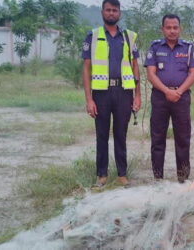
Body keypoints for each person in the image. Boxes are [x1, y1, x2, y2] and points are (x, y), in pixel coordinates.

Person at [82, 0, 140, 187]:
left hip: (124, 92)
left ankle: (122, 175)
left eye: (115, 10)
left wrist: (137, 95)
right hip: (101, 93)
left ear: (120, 13)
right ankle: (102, 175)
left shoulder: (129, 37)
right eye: (108, 10)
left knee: (120, 134)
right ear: (102, 12)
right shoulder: (93, 36)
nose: (111, 13)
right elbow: (86, 69)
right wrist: (89, 99)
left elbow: (135, 67)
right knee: (102, 135)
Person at [144, 14, 194, 183]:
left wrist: (178, 92)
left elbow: (193, 74)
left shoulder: (188, 48)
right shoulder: (154, 47)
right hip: (160, 98)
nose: (172, 31)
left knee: (183, 139)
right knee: (157, 138)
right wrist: (167, 91)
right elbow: (151, 74)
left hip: (181, 98)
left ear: (180, 29)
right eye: (168, 27)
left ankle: (183, 178)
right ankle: (158, 178)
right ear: (162, 29)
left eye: (175, 27)